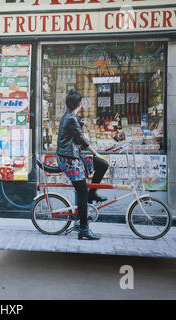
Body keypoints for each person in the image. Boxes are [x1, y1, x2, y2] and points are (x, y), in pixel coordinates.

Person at [56, 88, 109, 240]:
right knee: (82, 191)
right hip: (69, 159)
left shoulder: (70, 116)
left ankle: (93, 194)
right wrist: (95, 153)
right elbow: (81, 140)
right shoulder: (70, 118)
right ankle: (84, 229)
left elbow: (75, 136)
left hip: (74, 155)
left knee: (102, 164)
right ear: (79, 104)